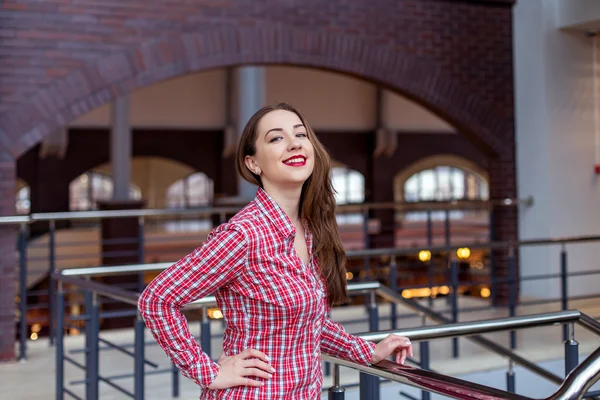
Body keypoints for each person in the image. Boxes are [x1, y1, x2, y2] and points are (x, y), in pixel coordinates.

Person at [138, 102, 413, 399]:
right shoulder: (243, 235)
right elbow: (157, 299)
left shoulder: (309, 231)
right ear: (253, 163)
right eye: (276, 138)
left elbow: (309, 326)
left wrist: (368, 351)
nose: (294, 144)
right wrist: (208, 372)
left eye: (300, 134)